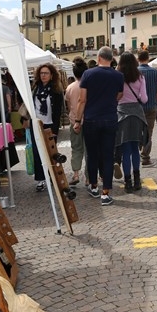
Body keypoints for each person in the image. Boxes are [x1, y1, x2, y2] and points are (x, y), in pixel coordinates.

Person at [73, 47, 124, 206]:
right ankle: (105, 193)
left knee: (92, 154)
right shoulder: (119, 76)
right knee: (108, 155)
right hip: (110, 118)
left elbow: (82, 100)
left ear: (99, 57)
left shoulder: (88, 74)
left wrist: (77, 120)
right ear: (111, 58)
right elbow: (119, 95)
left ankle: (94, 186)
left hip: (91, 119)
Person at [116, 52, 149, 193]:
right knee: (135, 148)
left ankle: (127, 181)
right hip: (136, 114)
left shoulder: (118, 78)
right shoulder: (140, 77)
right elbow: (145, 98)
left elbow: (115, 97)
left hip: (122, 114)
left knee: (125, 151)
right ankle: (137, 180)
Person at [29, 63, 64, 192]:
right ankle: (40, 179)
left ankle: (52, 177)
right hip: (36, 124)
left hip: (49, 125)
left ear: (51, 75)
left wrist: (55, 130)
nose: (43, 75)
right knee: (37, 153)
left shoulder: (56, 91)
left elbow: (58, 112)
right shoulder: (35, 89)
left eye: (46, 73)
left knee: (50, 153)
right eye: (41, 73)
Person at [137, 51, 157, 168]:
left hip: (137, 107)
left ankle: (137, 149)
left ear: (138, 58)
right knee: (148, 132)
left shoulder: (135, 72)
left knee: (137, 131)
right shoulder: (155, 72)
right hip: (151, 106)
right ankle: (145, 158)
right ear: (148, 58)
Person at [64, 57, 88, 186]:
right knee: (89, 149)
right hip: (88, 121)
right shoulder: (89, 86)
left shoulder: (69, 88)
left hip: (74, 122)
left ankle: (76, 174)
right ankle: (89, 177)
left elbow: (69, 107)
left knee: (76, 148)